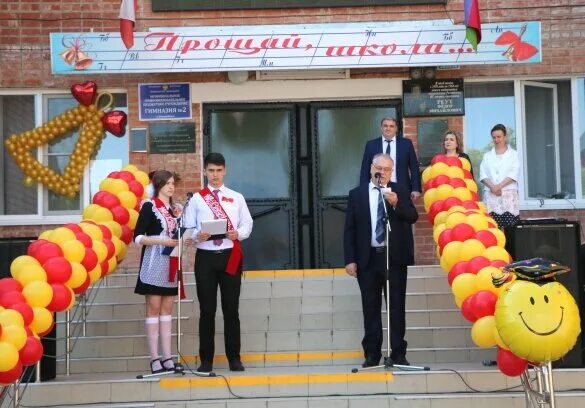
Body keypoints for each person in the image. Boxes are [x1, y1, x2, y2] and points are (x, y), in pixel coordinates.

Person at [344, 153, 418, 367]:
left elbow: (412, 216)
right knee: (370, 307)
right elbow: (349, 229)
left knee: (396, 306)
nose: (382, 172)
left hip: (393, 258)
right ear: (371, 168)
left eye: (387, 169)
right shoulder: (356, 194)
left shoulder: (399, 190)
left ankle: (397, 352)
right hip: (368, 260)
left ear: (391, 171)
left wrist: (396, 204)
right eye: (379, 168)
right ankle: (372, 353)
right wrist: (350, 259)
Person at [183, 152, 253, 373]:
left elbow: (247, 223)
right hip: (205, 258)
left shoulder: (236, 197)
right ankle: (206, 361)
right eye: (211, 171)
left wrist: (237, 234)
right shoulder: (196, 199)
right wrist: (197, 236)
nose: (215, 175)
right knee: (207, 310)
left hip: (230, 255)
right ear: (204, 171)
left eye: (219, 170)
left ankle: (234, 358)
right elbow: (187, 228)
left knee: (231, 309)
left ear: (225, 170)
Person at [134, 170, 181, 374]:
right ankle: (154, 359)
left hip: (170, 263)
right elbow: (137, 237)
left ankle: (167, 357)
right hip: (153, 262)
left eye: (173, 183)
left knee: (167, 310)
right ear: (158, 185)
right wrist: (160, 240)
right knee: (153, 308)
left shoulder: (175, 209)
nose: (171, 187)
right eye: (167, 183)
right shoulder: (149, 206)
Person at [360, 117, 422, 201]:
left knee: (402, 213)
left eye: (391, 126)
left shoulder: (406, 144)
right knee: (380, 213)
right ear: (381, 128)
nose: (388, 128)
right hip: (377, 189)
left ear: (396, 128)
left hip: (402, 188)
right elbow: (365, 169)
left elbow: (414, 167)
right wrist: (363, 190)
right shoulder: (371, 145)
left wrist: (416, 189)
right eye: (385, 126)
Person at [479, 124, 521, 228]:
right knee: (492, 229)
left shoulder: (514, 154)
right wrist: (493, 187)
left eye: (499, 137)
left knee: (510, 230)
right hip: (491, 195)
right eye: (494, 137)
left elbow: (513, 173)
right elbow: (483, 174)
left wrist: (499, 186)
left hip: (508, 195)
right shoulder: (487, 156)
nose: (496, 139)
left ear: (505, 137)